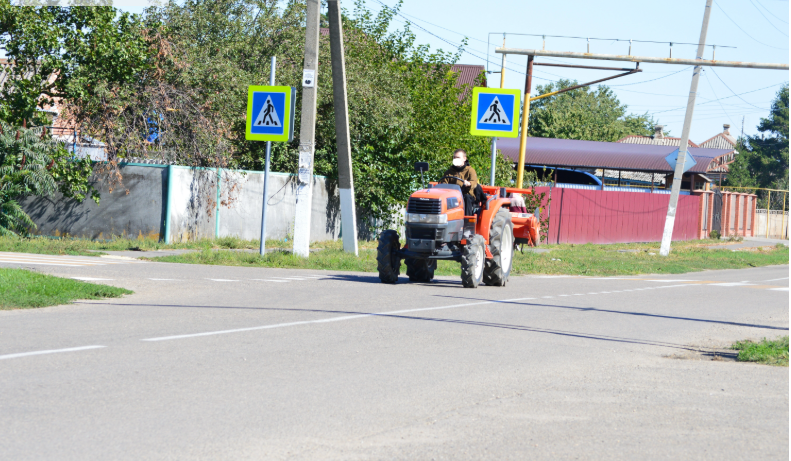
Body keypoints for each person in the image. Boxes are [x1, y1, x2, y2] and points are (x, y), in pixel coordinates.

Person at [439, 149, 479, 215]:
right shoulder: (448, 172)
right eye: (454, 157)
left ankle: (467, 221)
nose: (455, 159)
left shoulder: (470, 171)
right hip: (452, 197)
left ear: (464, 159)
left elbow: (474, 183)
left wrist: (469, 183)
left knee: (466, 197)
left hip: (466, 195)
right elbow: (444, 185)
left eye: (458, 157)